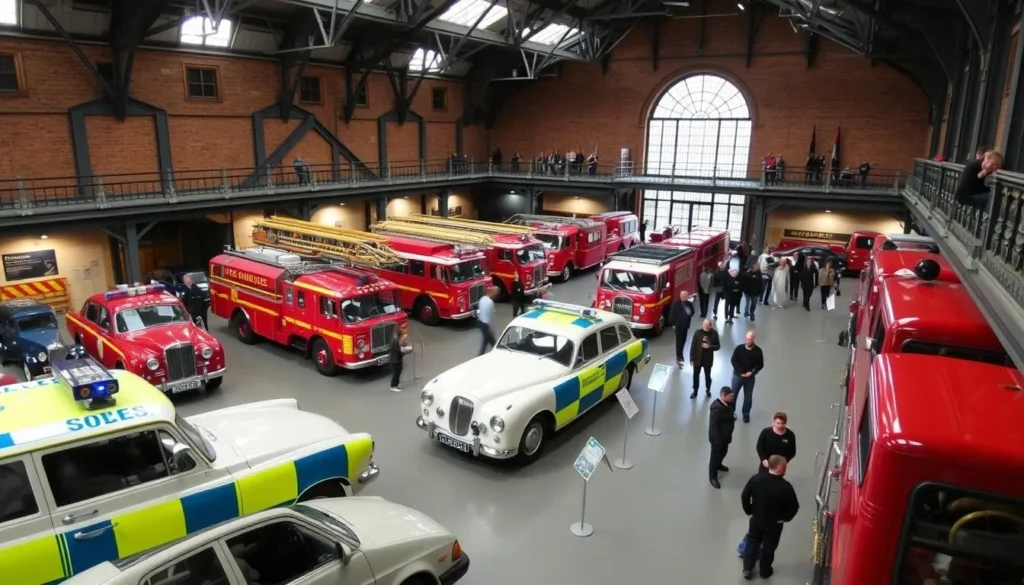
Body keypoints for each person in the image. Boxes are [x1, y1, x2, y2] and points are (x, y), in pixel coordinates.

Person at [740, 455, 800, 579]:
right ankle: (765, 570)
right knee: (769, 547)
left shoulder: (756, 479)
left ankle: (747, 568)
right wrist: (785, 518)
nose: (786, 468)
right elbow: (794, 506)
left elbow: (744, 496)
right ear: (777, 467)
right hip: (774, 525)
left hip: (756, 520)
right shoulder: (786, 487)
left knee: (752, 542)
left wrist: (749, 511)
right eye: (784, 466)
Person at [731, 331, 764, 423]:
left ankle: (746, 414)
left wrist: (752, 372)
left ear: (753, 339)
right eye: (746, 339)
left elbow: (760, 364)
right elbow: (733, 360)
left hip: (750, 378)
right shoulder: (739, 349)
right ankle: (731, 412)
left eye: (749, 339)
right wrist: (740, 372)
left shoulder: (758, 351)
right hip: (737, 376)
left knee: (748, 397)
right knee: (733, 395)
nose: (747, 341)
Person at [708, 386, 736, 489]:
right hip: (718, 439)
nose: (732, 398)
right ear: (723, 395)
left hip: (725, 436)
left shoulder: (728, 403)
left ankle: (719, 464)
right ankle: (713, 476)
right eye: (730, 396)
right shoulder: (717, 409)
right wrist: (717, 440)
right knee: (715, 457)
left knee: (723, 452)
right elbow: (714, 425)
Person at [689, 319, 721, 398]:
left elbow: (718, 346)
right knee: (696, 376)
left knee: (707, 376)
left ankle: (708, 389)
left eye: (707, 325)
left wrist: (709, 346)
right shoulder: (697, 333)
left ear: (711, 326)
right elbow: (693, 345)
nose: (706, 326)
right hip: (697, 358)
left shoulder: (714, 333)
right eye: (704, 324)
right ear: (702, 325)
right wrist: (691, 358)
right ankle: (695, 391)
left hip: (708, 359)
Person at [670, 290, 695, 368]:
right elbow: (672, 314)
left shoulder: (689, 304)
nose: (683, 297)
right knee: (679, 341)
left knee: (683, 340)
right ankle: (679, 357)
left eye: (685, 296)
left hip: (685, 326)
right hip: (678, 326)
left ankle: (680, 354)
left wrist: (689, 313)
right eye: (682, 295)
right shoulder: (676, 303)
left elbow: (692, 312)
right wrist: (673, 324)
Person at [477, 287, 498, 355]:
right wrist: (492, 328)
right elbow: (490, 317)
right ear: (491, 292)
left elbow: (479, 311)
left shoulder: (482, 299)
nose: (495, 295)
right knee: (490, 342)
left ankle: (482, 354)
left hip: (481, 323)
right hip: (486, 324)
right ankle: (481, 355)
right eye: (494, 293)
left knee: (486, 340)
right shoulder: (490, 302)